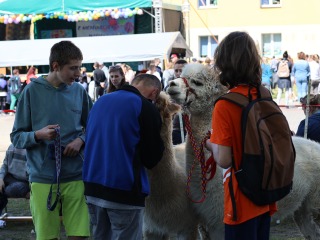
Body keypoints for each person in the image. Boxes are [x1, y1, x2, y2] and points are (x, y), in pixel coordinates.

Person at [10, 40, 92, 240]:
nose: (78, 73)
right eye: (73, 68)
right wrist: (38, 135)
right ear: (55, 66)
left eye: (79, 67)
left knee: (79, 235)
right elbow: (17, 137)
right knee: (47, 237)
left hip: (75, 175)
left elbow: (94, 128)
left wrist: (81, 140)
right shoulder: (31, 91)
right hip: (42, 177)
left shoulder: (79, 91)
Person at [206, 31, 276, 240]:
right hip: (265, 190)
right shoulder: (263, 93)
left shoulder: (225, 104)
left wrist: (210, 144)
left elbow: (225, 160)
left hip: (241, 197)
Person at [83, 74, 164, 240]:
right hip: (124, 190)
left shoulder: (101, 101)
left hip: (92, 187)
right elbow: (151, 158)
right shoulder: (145, 107)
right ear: (154, 93)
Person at [0, 144, 29, 215]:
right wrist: (0, 178)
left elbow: (35, 172)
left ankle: (3, 192)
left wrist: (31, 190)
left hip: (25, 181)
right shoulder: (11, 146)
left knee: (13, 189)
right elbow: (5, 165)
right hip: (9, 177)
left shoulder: (31, 148)